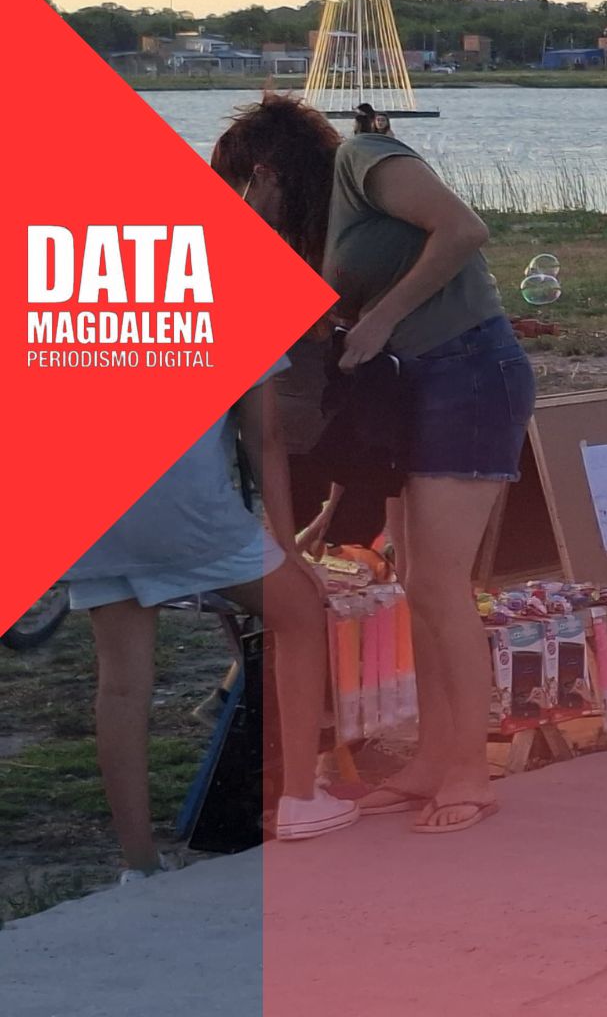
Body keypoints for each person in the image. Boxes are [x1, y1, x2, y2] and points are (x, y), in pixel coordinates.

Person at [214, 92, 535, 835]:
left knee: (442, 582)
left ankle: (470, 768)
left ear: (265, 172)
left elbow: (464, 230)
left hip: (469, 371)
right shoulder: (320, 225)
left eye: (240, 191)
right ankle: (432, 756)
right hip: (406, 387)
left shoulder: (363, 160)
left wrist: (382, 316)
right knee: (415, 580)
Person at [68, 361, 354, 880]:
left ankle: (139, 864)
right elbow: (265, 437)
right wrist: (288, 548)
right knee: (300, 613)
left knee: (121, 684)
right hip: (188, 508)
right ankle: (300, 796)